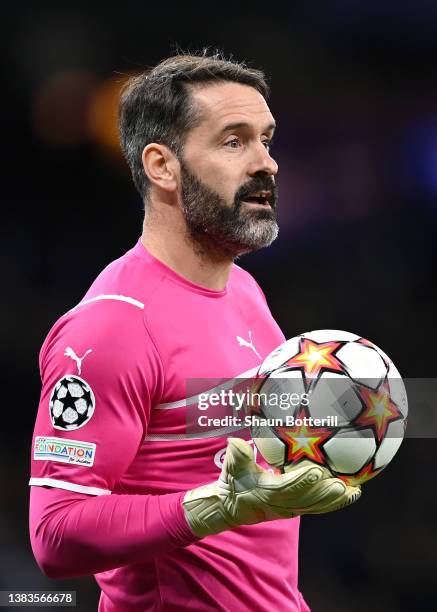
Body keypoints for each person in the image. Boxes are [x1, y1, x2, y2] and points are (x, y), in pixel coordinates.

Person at [29, 52, 361, 611]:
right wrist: (214, 507)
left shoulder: (246, 292)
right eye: (234, 141)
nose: (267, 163)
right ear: (162, 166)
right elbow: (55, 534)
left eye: (266, 140)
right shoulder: (112, 327)